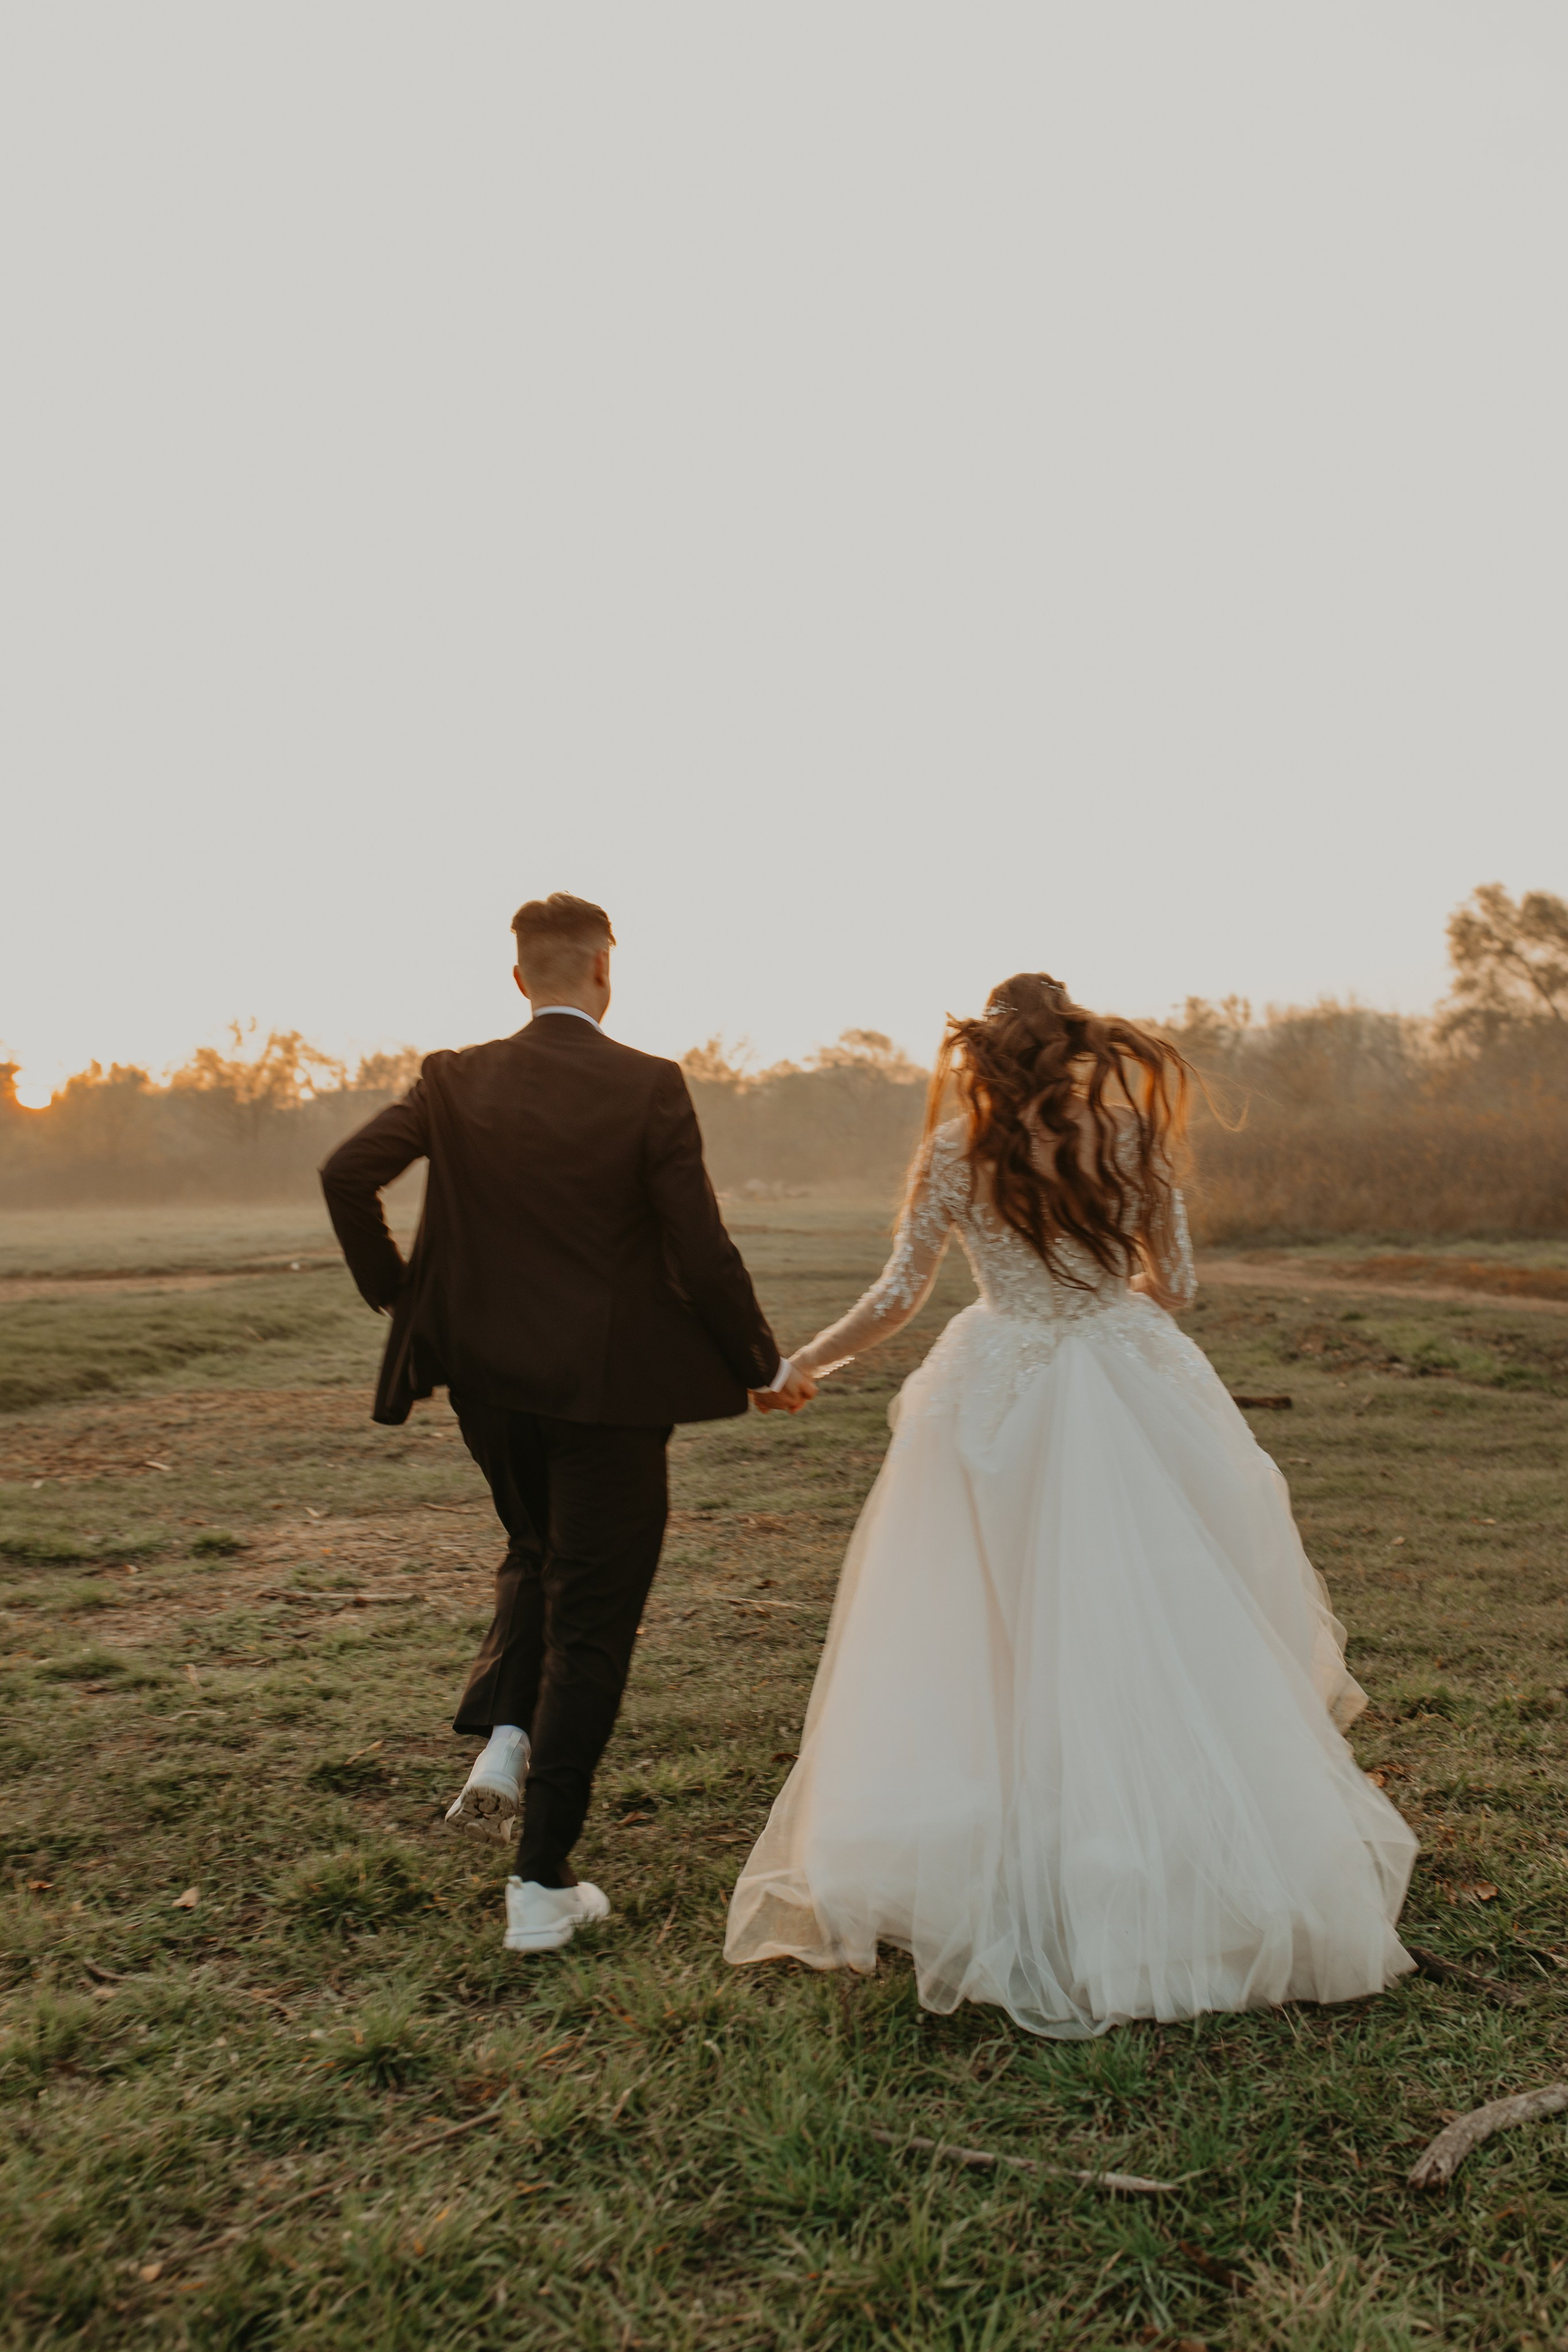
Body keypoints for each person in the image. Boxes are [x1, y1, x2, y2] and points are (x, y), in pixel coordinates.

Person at [726, 973, 1415, 2036]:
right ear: (1077, 1044)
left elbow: (901, 1293)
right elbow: (1177, 1283)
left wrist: (806, 1361)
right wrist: (1104, 1307)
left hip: (999, 1383)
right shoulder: (1128, 1136)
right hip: (1131, 1375)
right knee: (1157, 1619)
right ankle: (1163, 1845)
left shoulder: (959, 1144)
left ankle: (1026, 1844)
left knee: (989, 1629)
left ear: (989, 1051)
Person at [320, 893, 815, 1956]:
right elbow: (698, 1243)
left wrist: (402, 1296)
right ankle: (540, 1885)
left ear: (519, 980)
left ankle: (505, 1739)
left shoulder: (453, 1077)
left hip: (488, 1391)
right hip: (609, 1399)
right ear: (604, 974)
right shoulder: (648, 1084)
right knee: (592, 1620)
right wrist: (763, 1363)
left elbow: (345, 1172)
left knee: (539, 1552)